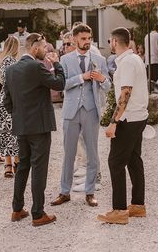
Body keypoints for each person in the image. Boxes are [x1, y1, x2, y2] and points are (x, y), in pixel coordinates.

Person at [3, 33, 65, 227]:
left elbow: (6, 102)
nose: (46, 51)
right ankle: (38, 214)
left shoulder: (11, 69)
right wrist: (57, 64)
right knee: (39, 169)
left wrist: (20, 116)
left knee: (22, 167)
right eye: (44, 47)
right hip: (39, 126)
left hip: (21, 127)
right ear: (34, 47)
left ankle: (17, 209)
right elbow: (59, 84)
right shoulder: (37, 66)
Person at [52, 24, 111, 209]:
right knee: (69, 153)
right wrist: (82, 77)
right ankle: (64, 191)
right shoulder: (65, 59)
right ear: (75, 39)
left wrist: (102, 80)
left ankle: (90, 192)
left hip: (91, 110)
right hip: (71, 111)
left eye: (89, 38)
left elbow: (109, 86)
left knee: (93, 153)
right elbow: (61, 85)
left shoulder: (99, 59)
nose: (87, 42)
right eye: (83, 39)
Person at [98, 27, 149, 225]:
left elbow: (125, 93)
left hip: (128, 119)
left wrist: (113, 122)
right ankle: (137, 205)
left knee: (115, 162)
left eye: (110, 41)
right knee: (134, 160)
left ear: (114, 42)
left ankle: (119, 210)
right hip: (138, 117)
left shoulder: (127, 62)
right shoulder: (134, 58)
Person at [0, 36, 21, 178]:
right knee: (14, 131)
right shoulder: (13, 62)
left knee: (5, 131)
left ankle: (8, 165)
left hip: (3, 98)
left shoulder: (3, 61)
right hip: (11, 99)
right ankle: (17, 162)